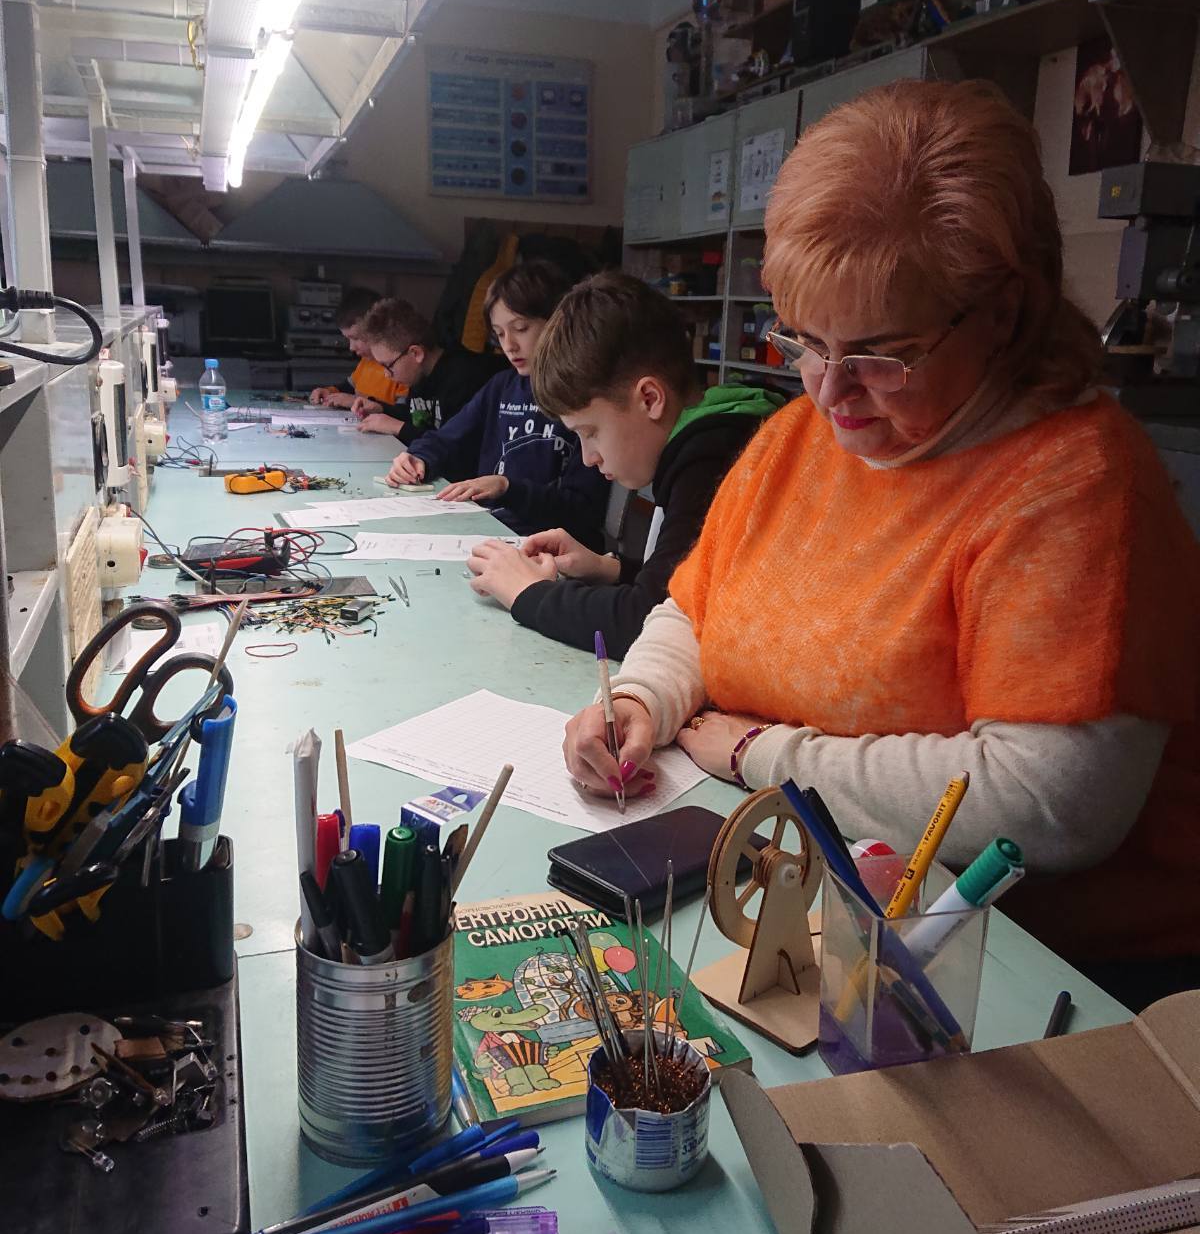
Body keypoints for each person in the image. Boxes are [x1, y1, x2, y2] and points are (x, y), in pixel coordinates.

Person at [562, 79, 1200, 1010]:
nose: (830, 392)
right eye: (805, 342)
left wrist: (766, 758)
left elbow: (1048, 804)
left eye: (880, 354)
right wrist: (642, 700)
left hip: (1031, 974)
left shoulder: (1074, 483)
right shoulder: (797, 442)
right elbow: (696, 608)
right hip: (810, 886)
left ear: (1003, 313)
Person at [466, 270, 783, 656]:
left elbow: (648, 622)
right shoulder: (707, 434)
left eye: (590, 432)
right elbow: (681, 586)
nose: (588, 457)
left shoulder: (714, 459)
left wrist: (527, 592)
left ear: (649, 399)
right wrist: (608, 569)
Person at [385, 262, 609, 546]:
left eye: (521, 328)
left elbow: (582, 509)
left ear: (556, 322)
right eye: (499, 334)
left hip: (552, 546)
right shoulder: (502, 386)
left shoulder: (585, 397)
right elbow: (446, 438)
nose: (509, 345)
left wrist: (507, 488)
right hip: (491, 530)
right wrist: (417, 457)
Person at [353, 297, 498, 442]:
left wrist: (398, 427)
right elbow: (417, 417)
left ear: (416, 353)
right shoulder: (419, 373)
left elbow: (453, 444)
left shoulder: (465, 379)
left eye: (388, 366)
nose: (386, 374)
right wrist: (381, 409)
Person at [308, 286, 397, 410]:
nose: (351, 347)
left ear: (379, 330)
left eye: (356, 338)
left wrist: (356, 401)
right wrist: (329, 392)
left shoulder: (399, 369)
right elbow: (348, 387)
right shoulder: (366, 362)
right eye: (348, 339)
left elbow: (403, 413)